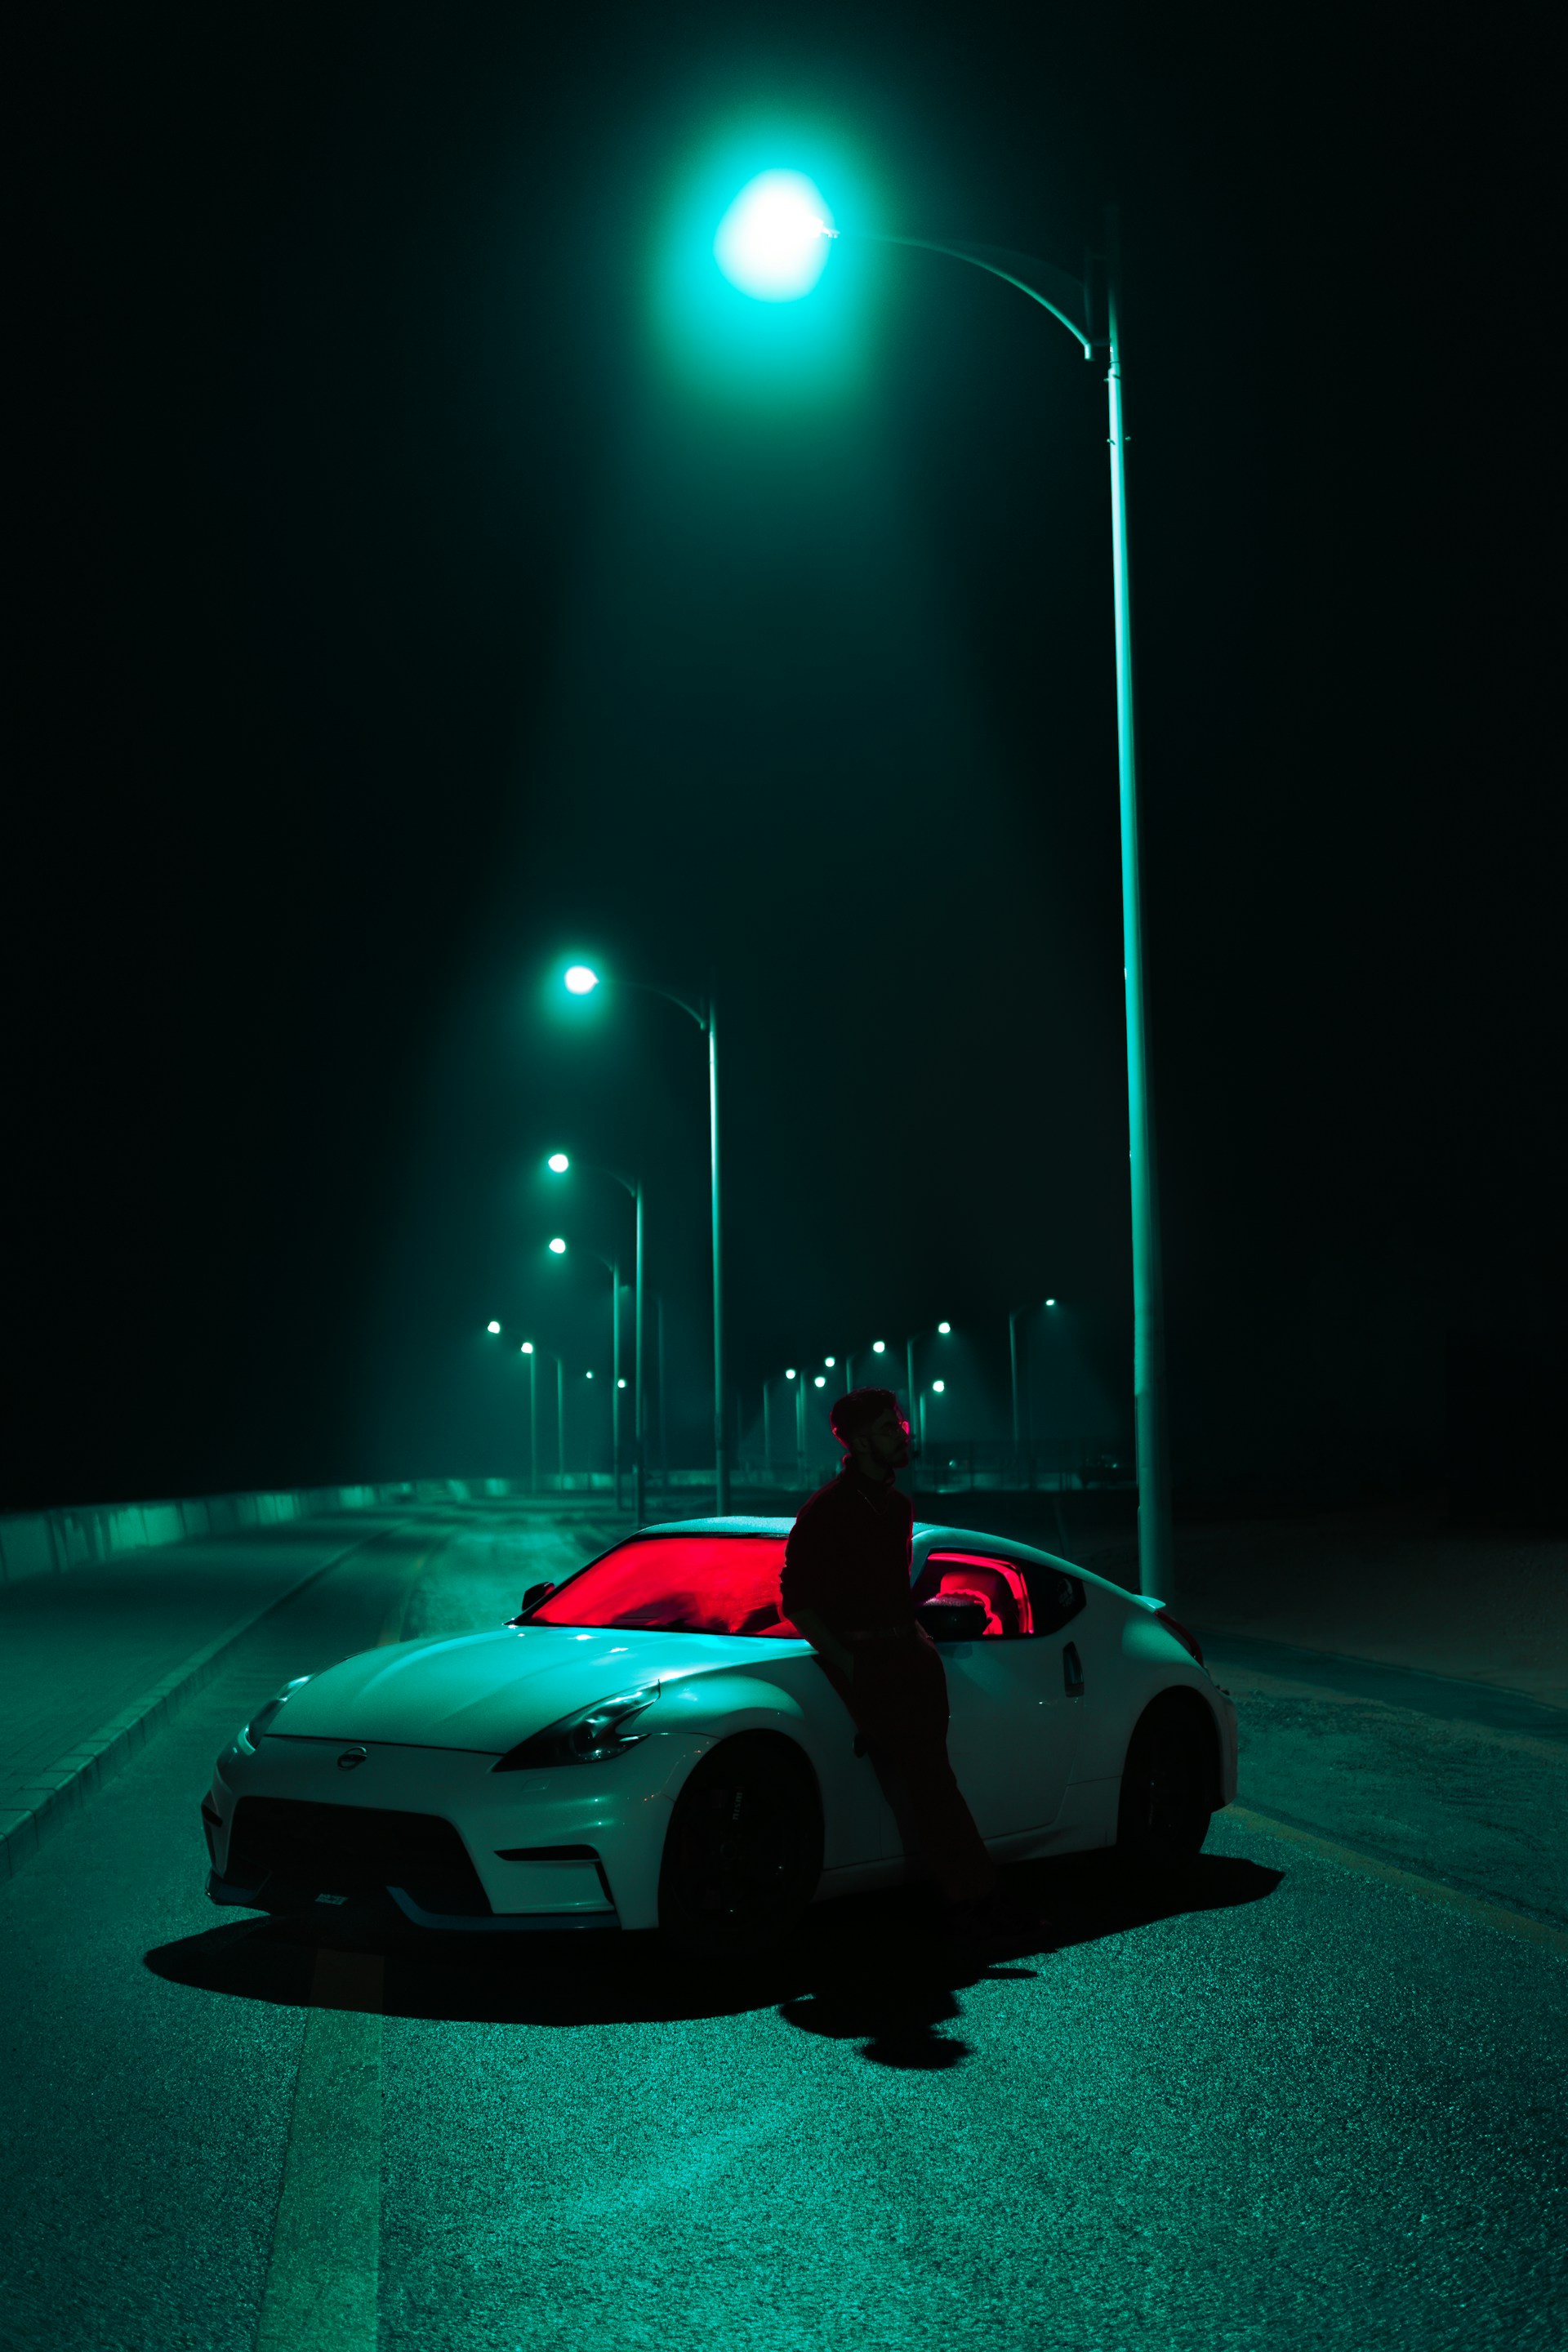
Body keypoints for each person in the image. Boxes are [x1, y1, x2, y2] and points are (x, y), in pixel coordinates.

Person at [780, 1384, 1054, 1963]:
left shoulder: (899, 1506)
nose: (901, 1433)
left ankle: (977, 1903)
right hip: (870, 1664)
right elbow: (798, 1602)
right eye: (886, 1426)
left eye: (898, 1423)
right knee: (933, 1786)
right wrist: (850, 1661)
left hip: (912, 1658)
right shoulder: (826, 1510)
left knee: (935, 1784)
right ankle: (976, 1905)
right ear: (857, 1440)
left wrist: (919, 1641)